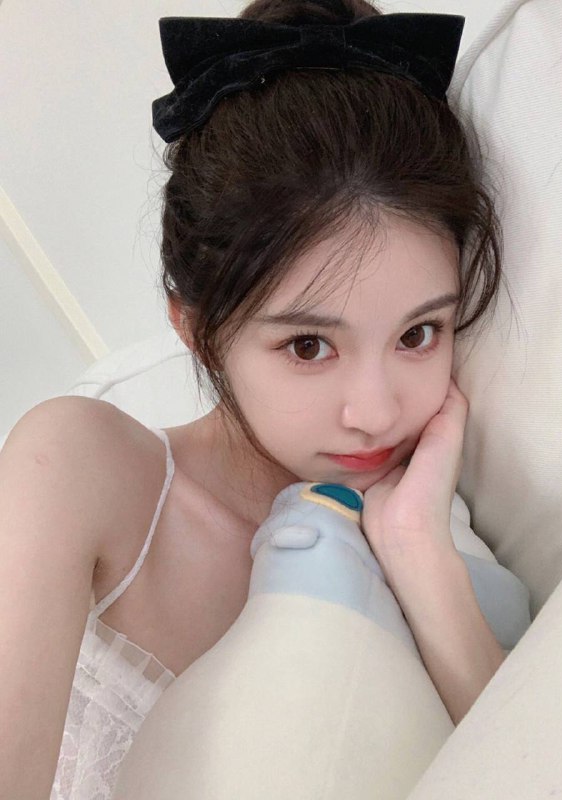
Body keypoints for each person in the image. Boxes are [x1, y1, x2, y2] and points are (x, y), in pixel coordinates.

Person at [0, 1, 528, 797]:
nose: (375, 414)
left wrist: (419, 553)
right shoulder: (82, 467)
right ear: (194, 327)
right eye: (308, 346)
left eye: (418, 334)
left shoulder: (444, 531)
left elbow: (532, 772)